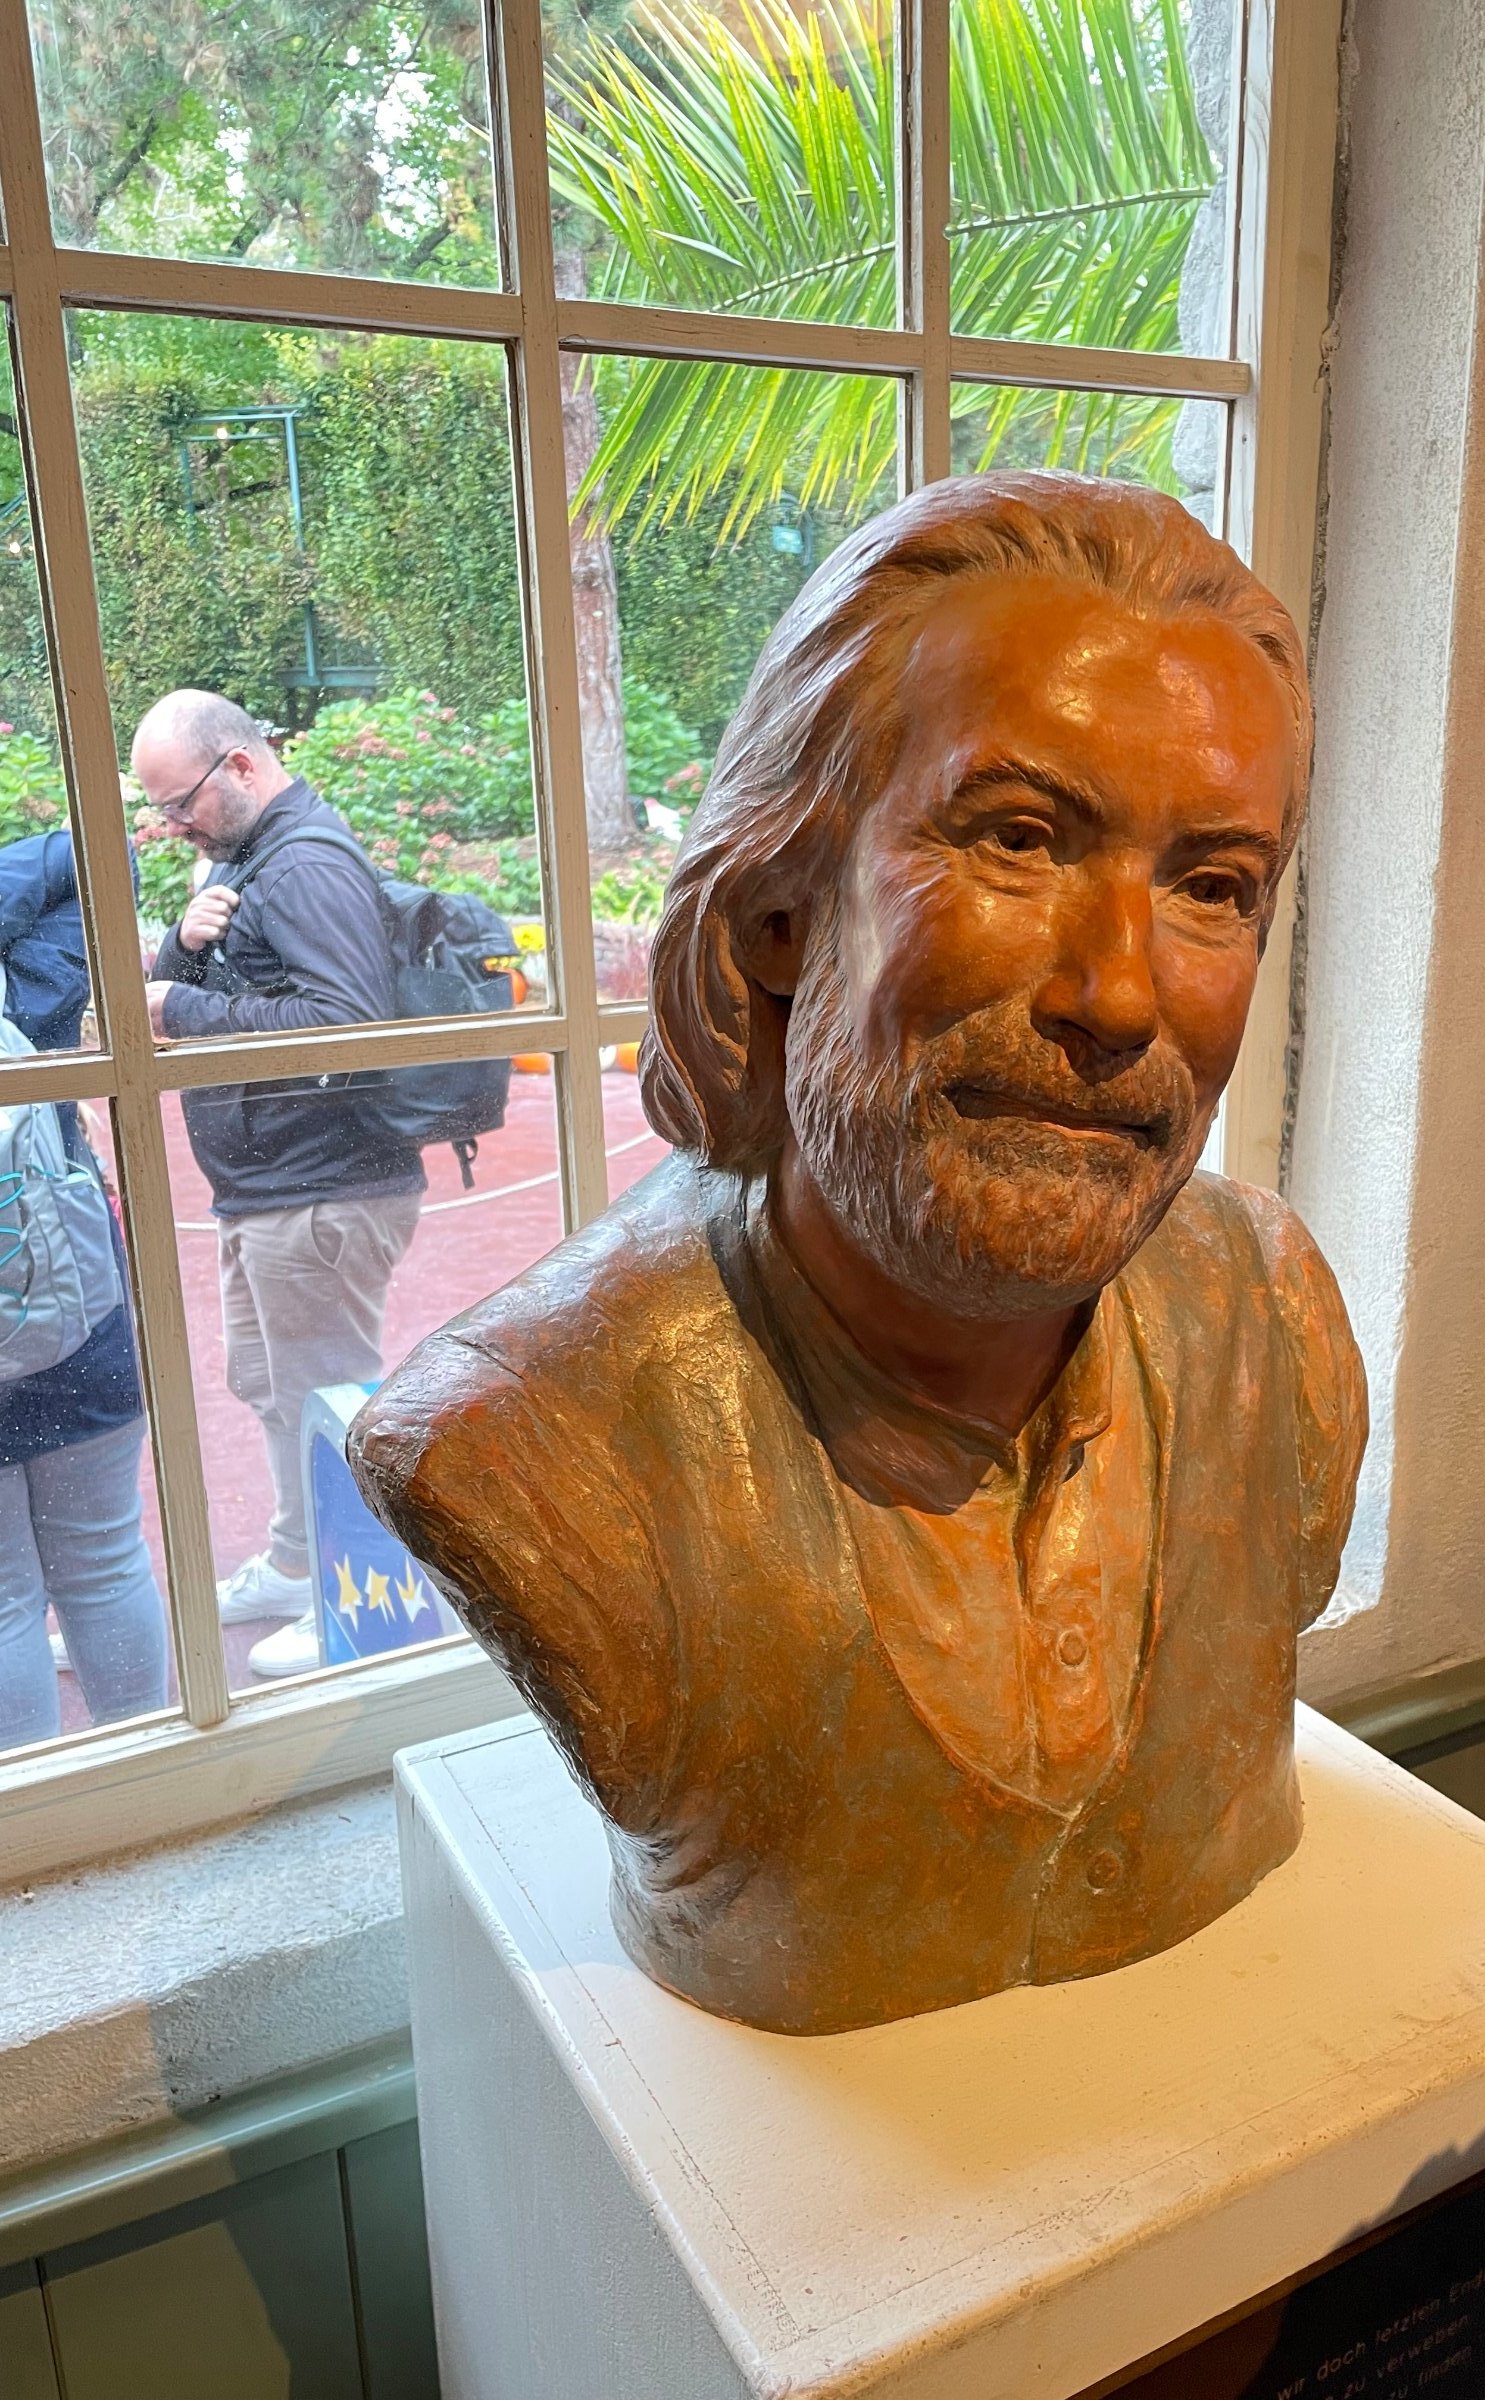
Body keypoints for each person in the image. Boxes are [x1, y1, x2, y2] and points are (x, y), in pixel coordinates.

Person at [349, 473, 1367, 2037]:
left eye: (1212, 887)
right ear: (778, 912)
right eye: (1018, 841)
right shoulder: (521, 1441)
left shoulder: (1275, 1322)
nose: (1117, 994)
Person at [131, 689, 424, 1682]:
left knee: (333, 1400)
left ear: (243, 765)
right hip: (274, 1186)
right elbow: (207, 990)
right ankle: (303, 1565)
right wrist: (182, 946)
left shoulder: (302, 865)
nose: (174, 826)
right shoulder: (247, 857)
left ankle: (363, 1598)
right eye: (162, 811)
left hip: (322, 1188)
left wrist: (180, 1006)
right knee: (278, 1390)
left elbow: (346, 1025)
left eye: (181, 804)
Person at [0, 830, 168, 1752]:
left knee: (2, 1601)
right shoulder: (36, 975)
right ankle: (144, 1777)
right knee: (103, 1558)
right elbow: (101, 849)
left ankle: (35, 1805)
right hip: (73, 1305)